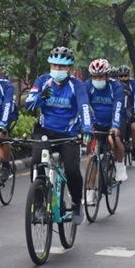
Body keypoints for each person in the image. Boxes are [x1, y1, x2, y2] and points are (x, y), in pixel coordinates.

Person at [24, 46, 92, 225]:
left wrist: (87, 129)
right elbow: (28, 104)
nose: (57, 70)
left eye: (61, 67)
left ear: (69, 68)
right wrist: (41, 97)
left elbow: (84, 107)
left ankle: (77, 203)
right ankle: (38, 203)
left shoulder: (77, 86)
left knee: (71, 170)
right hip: (45, 131)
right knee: (37, 162)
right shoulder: (42, 81)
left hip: (68, 133)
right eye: (54, 66)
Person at [83, 59, 126, 204]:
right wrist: (87, 126)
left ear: (107, 76)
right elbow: (84, 106)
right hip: (95, 124)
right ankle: (89, 191)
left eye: (100, 77)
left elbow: (118, 107)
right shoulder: (87, 86)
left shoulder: (116, 87)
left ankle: (119, 166)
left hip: (112, 123)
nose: (97, 80)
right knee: (91, 156)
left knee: (114, 141)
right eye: (94, 77)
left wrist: (115, 126)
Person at [116, 65, 135, 161]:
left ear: (128, 75)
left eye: (125, 76)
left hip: (130, 109)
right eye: (121, 76)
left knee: (134, 128)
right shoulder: (115, 85)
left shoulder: (133, 84)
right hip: (120, 109)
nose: (123, 78)